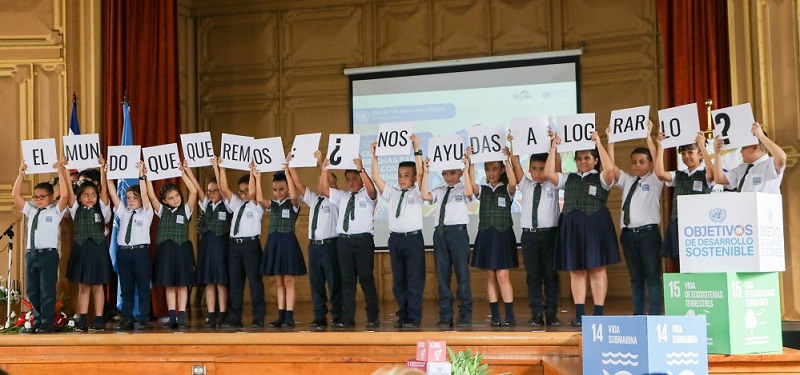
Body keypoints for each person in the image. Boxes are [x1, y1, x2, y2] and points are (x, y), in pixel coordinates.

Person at [545, 129, 619, 327]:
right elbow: (549, 173)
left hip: (596, 226)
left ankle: (598, 312)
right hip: (572, 227)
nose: (582, 161)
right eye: (579, 158)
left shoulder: (602, 178)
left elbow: (610, 170)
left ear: (595, 160)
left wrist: (599, 142)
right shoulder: (569, 178)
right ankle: (579, 314)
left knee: (597, 269)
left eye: (587, 158)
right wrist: (554, 147)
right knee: (576, 271)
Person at [607, 123, 663, 315]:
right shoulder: (627, 180)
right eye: (634, 162)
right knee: (635, 278)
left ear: (650, 164)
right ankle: (638, 314)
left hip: (648, 234)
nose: (637, 165)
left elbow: (658, 162)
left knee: (653, 276)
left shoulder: (655, 179)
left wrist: (649, 137)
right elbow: (610, 168)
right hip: (629, 235)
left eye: (641, 162)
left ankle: (655, 314)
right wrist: (611, 142)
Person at [370, 136, 425, 329]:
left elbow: (422, 173)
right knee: (398, 281)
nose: (402, 178)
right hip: (395, 240)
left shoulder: (418, 192)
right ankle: (403, 314)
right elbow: (376, 179)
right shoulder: (393, 193)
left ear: (414, 177)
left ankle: (414, 317)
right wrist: (374, 157)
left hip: (413, 240)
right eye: (400, 175)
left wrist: (416, 148)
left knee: (414, 280)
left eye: (406, 175)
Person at [319, 155, 380, 329]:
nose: (351, 182)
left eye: (355, 179)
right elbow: (324, 190)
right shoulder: (342, 196)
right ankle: (348, 317)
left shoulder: (368, 197)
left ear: (361, 179)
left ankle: (372, 315)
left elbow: (372, 191)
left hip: (363, 242)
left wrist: (361, 170)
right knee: (347, 281)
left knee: (366, 279)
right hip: (344, 243)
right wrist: (324, 171)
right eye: (348, 179)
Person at [509, 132, 562, 327]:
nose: (539, 173)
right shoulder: (526, 185)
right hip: (529, 237)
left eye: (542, 168)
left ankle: (552, 313)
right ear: (529, 170)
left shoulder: (554, 184)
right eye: (534, 169)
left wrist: (552, 145)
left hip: (550, 236)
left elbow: (557, 166)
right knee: (533, 277)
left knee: (550, 276)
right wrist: (513, 142)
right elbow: (515, 162)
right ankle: (536, 314)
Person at [286, 151, 342, 329]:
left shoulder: (337, 199)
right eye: (319, 179)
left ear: (333, 184)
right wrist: (291, 166)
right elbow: (298, 184)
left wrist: (322, 164)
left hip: (330, 245)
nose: (321, 182)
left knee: (334, 282)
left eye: (325, 179)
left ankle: (338, 314)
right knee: (316, 283)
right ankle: (319, 315)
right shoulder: (315, 200)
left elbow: (326, 187)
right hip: (314, 247)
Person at [12, 160, 69, 333]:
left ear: (51, 197)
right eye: (36, 197)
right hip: (32, 254)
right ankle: (36, 319)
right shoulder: (32, 210)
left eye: (42, 197)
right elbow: (15, 195)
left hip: (48, 255)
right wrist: (21, 174)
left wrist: (60, 171)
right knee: (32, 290)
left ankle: (47, 321)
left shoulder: (55, 211)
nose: (38, 200)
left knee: (47, 290)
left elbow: (65, 196)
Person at [465, 146, 518, 327]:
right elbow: (471, 186)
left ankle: (509, 315)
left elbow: (513, 182)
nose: (491, 173)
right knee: (490, 275)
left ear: (501, 170)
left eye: (495, 169)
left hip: (503, 235)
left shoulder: (508, 190)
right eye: (487, 169)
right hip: (487, 234)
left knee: (503, 275)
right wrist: (470, 162)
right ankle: (495, 315)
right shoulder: (484, 189)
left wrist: (507, 161)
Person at [420, 150, 473, 328]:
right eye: (445, 173)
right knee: (442, 275)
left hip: (458, 233)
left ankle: (465, 313)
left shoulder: (464, 188)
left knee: (462, 275)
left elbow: (469, 192)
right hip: (440, 234)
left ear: (458, 172)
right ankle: (446, 313)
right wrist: (426, 172)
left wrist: (466, 168)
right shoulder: (440, 190)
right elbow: (425, 195)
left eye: (452, 173)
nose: (449, 177)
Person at [145, 161, 198, 329]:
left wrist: (183, 173)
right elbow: (151, 196)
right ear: (165, 201)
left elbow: (194, 192)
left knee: (182, 284)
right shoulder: (162, 211)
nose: (175, 199)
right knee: (169, 284)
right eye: (171, 198)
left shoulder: (186, 209)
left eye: (177, 196)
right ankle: (172, 316)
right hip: (166, 251)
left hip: (182, 250)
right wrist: (146, 177)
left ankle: (182, 316)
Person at [216, 159, 267, 329]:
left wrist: (253, 173)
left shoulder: (256, 205)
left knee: (254, 282)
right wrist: (221, 168)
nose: (245, 194)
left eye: (246, 190)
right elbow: (223, 189)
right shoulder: (237, 204)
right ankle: (235, 317)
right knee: (235, 283)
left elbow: (253, 193)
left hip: (250, 246)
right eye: (242, 191)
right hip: (234, 247)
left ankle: (258, 317)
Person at [257, 163, 307, 328]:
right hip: (274, 243)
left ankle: (289, 316)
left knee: (289, 281)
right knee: (278, 281)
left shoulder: (294, 203)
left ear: (287, 188)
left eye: (281, 189)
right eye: (275, 190)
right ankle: (281, 314)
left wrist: (288, 173)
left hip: (287, 243)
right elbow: (258, 199)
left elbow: (293, 194)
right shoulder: (273, 205)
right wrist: (256, 177)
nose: (278, 193)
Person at [66, 157, 112, 332]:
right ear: (79, 197)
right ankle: (83, 320)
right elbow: (67, 193)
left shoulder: (103, 207)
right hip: (82, 249)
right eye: (86, 195)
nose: (90, 198)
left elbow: (105, 189)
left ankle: (99, 319)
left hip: (98, 249)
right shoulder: (75, 208)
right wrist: (63, 171)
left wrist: (103, 168)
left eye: (93, 194)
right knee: (84, 286)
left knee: (98, 286)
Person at [106, 161, 153, 330]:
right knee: (126, 287)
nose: (131, 201)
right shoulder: (124, 212)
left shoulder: (147, 213)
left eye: (135, 197)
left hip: (140, 253)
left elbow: (147, 196)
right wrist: (108, 175)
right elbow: (113, 195)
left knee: (142, 287)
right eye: (128, 198)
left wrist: (141, 175)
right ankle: (127, 318)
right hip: (124, 253)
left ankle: (143, 318)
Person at [655, 131, 714, 260]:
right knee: (680, 262)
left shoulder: (705, 174)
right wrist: (660, 147)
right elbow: (660, 173)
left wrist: (703, 147)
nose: (686, 156)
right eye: (683, 153)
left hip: (699, 226)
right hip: (678, 223)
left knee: (699, 261)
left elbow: (713, 176)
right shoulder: (679, 175)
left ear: (700, 155)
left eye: (690, 152)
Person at [189, 157, 232, 328]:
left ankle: (222, 313)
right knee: (209, 282)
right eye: (210, 191)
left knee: (221, 281)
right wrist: (187, 171)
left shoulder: (228, 205)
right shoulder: (207, 205)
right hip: (207, 245)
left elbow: (223, 186)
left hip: (221, 245)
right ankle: (211, 313)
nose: (212, 193)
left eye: (215, 190)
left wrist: (217, 167)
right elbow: (198, 189)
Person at [713, 122, 787, 194]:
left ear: (755, 147)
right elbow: (719, 179)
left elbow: (782, 158)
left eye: (744, 148)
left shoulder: (769, 165)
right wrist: (717, 153)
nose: (741, 151)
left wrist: (761, 136)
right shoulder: (743, 168)